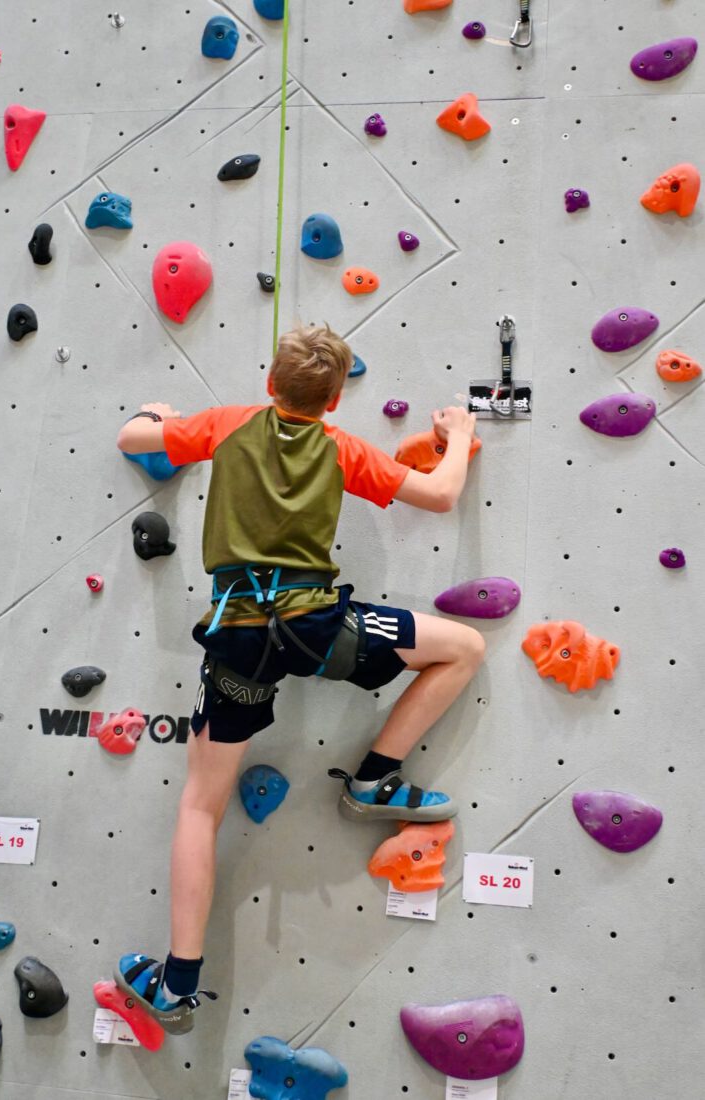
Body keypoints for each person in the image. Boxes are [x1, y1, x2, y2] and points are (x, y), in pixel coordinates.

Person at [112, 324, 484, 1033]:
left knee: (200, 806)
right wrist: (457, 433)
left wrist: (157, 416)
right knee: (461, 646)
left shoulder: (227, 424)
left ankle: (176, 986)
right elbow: (439, 496)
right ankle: (375, 779)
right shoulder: (340, 447)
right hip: (320, 633)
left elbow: (131, 440)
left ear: (268, 383)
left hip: (239, 641)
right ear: (335, 398)